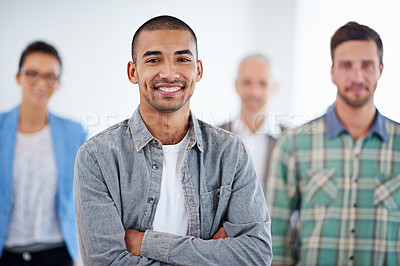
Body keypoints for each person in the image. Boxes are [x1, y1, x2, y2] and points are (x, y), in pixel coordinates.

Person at [74, 15, 272, 265]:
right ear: (133, 72)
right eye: (154, 60)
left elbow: (255, 255)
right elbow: (107, 262)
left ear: (198, 70)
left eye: (182, 59)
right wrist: (211, 251)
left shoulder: (231, 152)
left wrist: (145, 243)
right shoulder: (97, 157)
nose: (169, 73)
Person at [266, 21, 400, 265]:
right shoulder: (295, 144)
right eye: (347, 65)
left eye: (367, 65)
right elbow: (275, 235)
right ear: (333, 71)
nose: (357, 76)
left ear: (380, 69)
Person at [0, 41, 86, 265]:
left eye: (50, 76)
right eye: (32, 73)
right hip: (6, 253)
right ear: (18, 77)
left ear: (58, 83)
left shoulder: (74, 133)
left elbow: (85, 197)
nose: (41, 83)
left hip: (57, 253)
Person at [220, 54, 281, 194]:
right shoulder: (214, 137)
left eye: (263, 83)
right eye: (247, 82)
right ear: (237, 86)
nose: (254, 92)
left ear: (275, 88)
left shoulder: (290, 139)